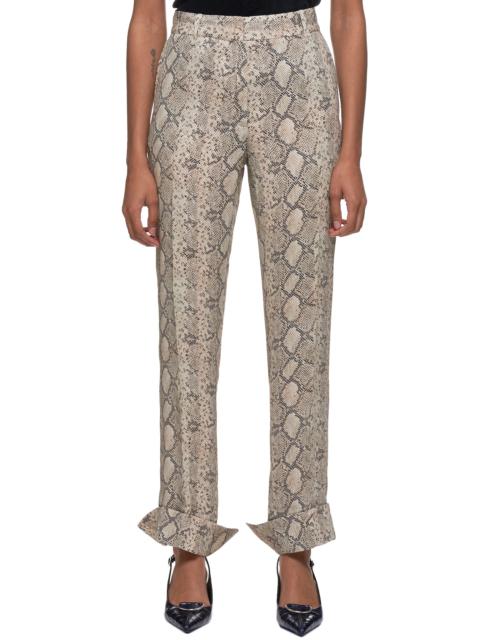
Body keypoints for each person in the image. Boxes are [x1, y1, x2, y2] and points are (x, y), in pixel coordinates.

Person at [122, 0, 367, 634]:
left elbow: (349, 13)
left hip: (297, 69)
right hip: (193, 69)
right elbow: (147, 16)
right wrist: (135, 161)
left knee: (301, 325)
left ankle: (297, 540)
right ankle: (188, 538)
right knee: (187, 323)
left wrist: (351, 154)